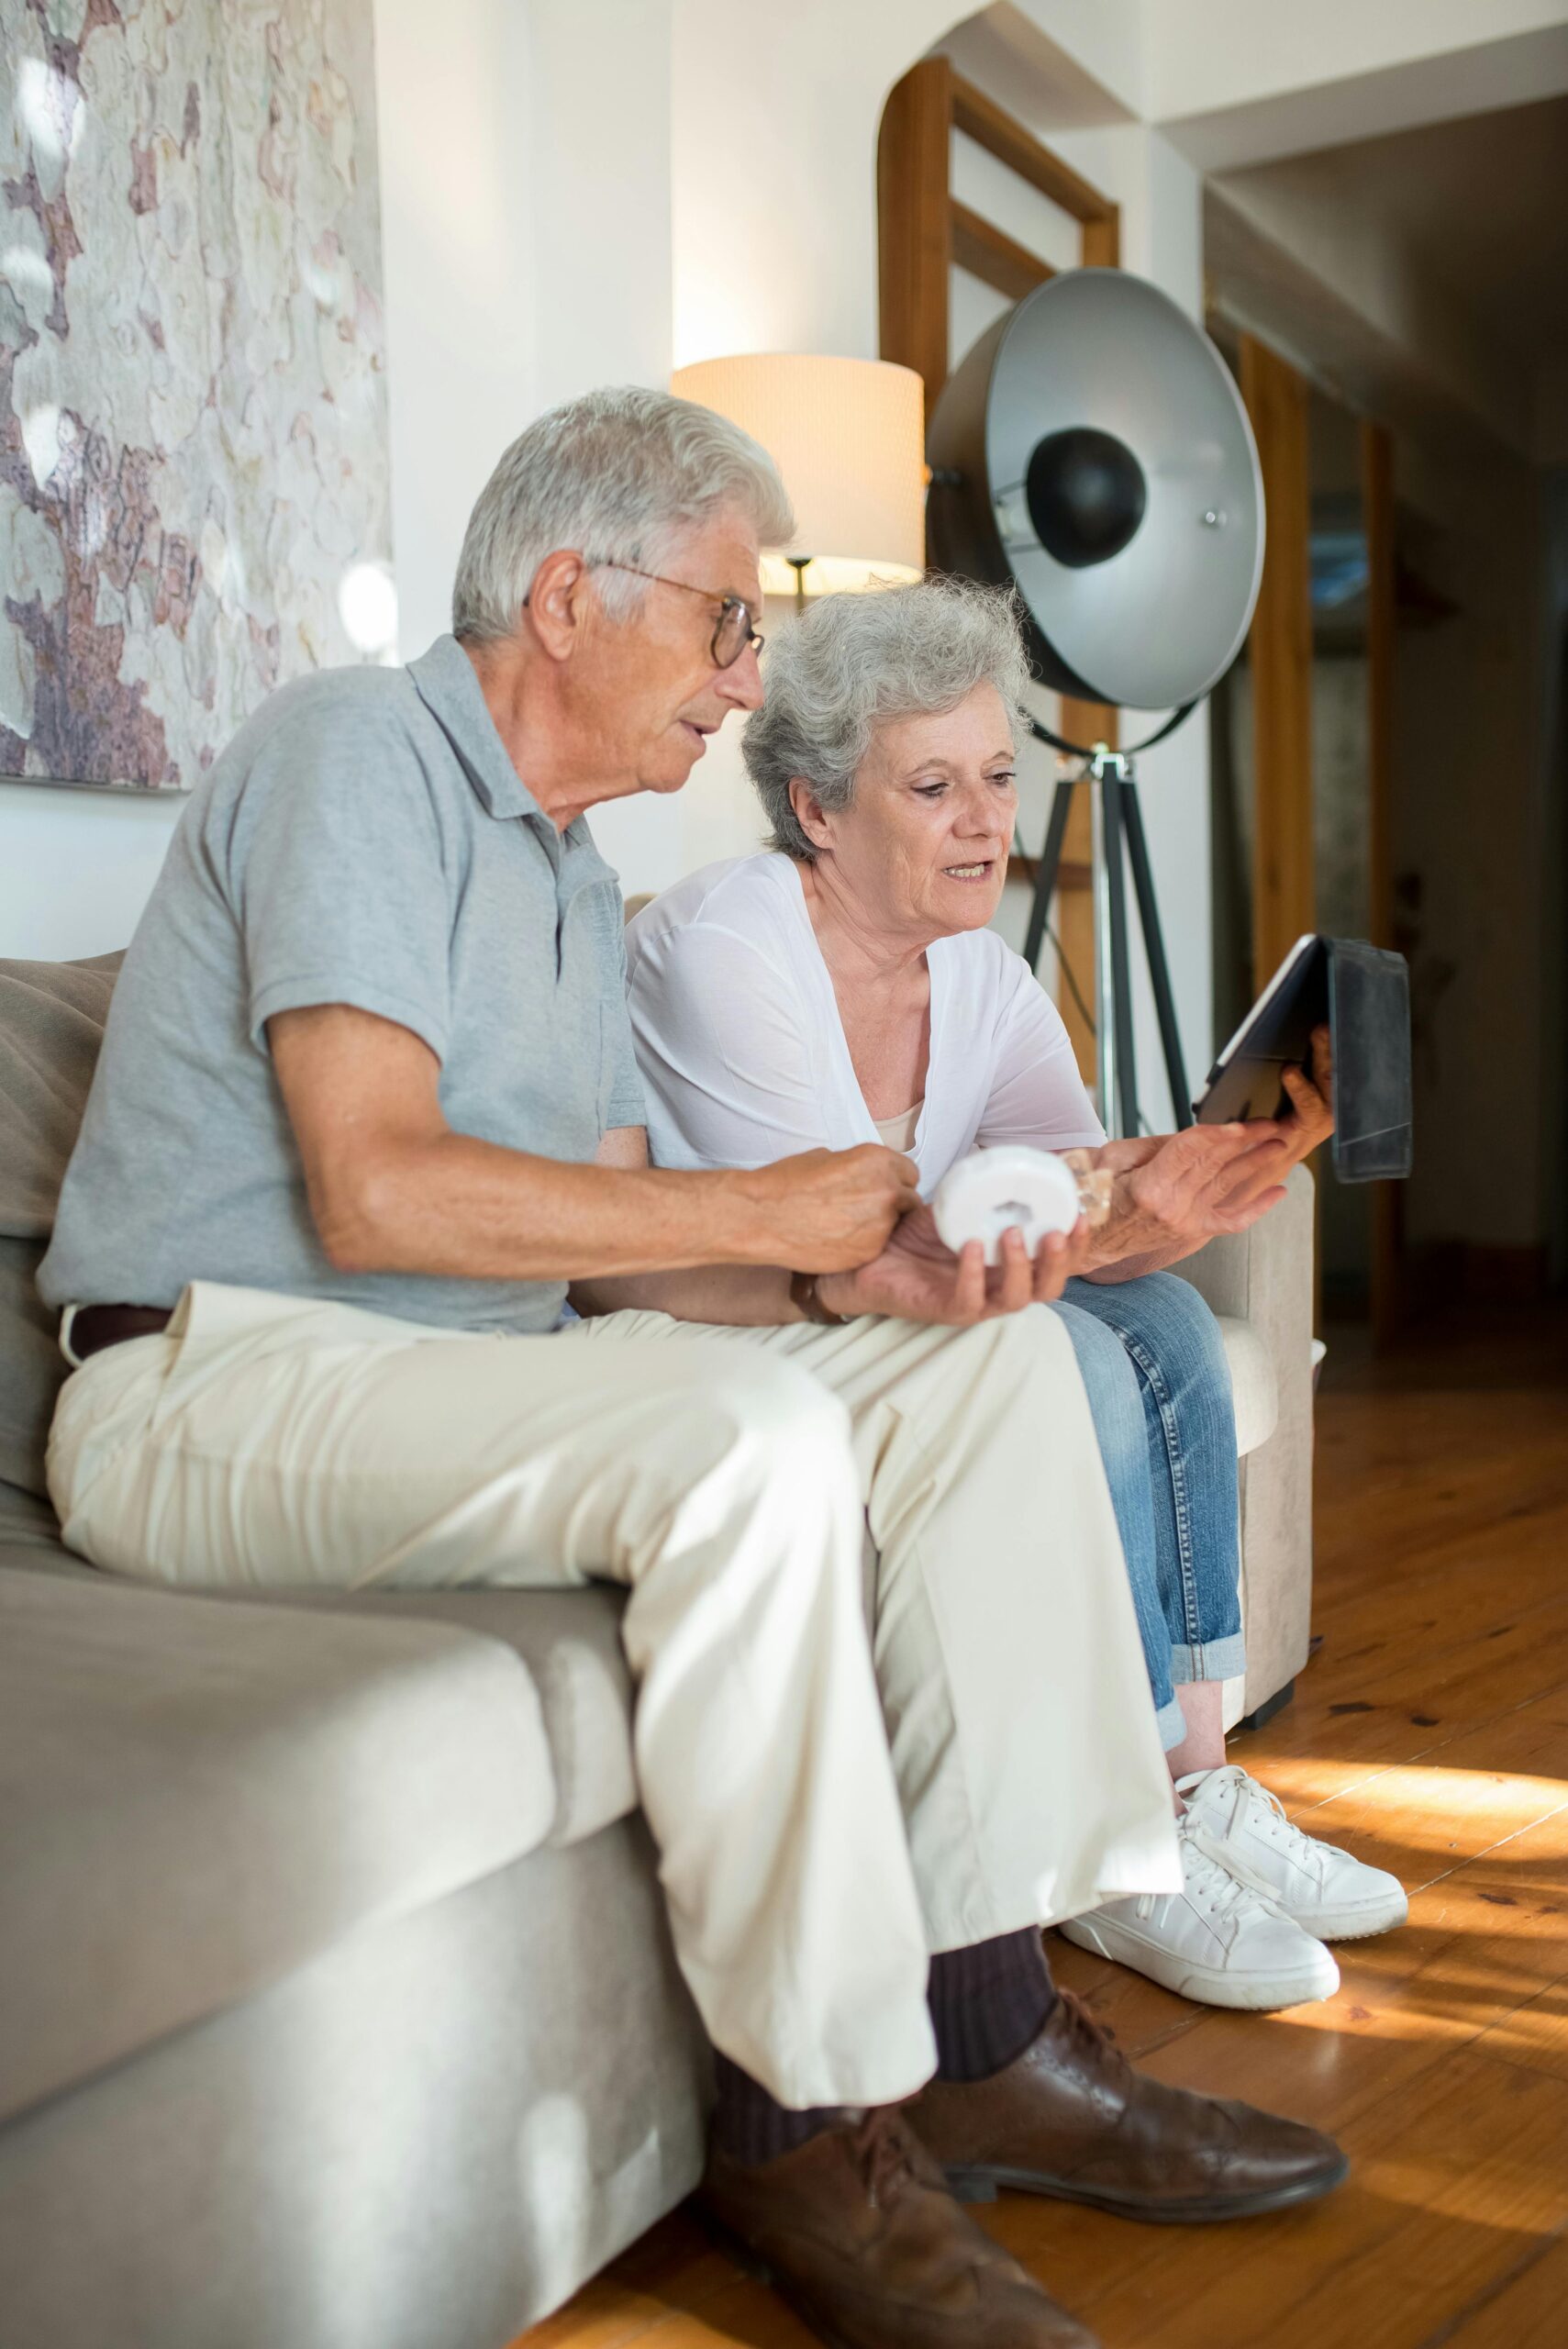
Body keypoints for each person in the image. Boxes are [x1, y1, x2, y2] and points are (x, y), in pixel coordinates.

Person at [40, 391, 1344, 2349]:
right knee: (744, 1455)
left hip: (466, 1382)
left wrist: (860, 1279)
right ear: (570, 593)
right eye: (731, 624)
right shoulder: (356, 754)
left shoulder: (573, 883)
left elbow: (643, 1265)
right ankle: (810, 2124)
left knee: (991, 1373)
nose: (747, 688)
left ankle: (985, 2028)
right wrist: (777, 1206)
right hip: (214, 1379)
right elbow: (373, 1183)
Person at [626, 573, 1408, 2014]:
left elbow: (1064, 1183)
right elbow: (866, 1233)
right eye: (933, 787)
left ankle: (1193, 1787)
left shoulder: (978, 976)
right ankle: (1106, 1851)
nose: (989, 820)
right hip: (755, 1322)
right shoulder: (726, 946)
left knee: (1163, 1324)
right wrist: (1112, 1212)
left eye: (997, 774)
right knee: (1078, 1360)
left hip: (897, 1305)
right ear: (815, 811)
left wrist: (1212, 1159)